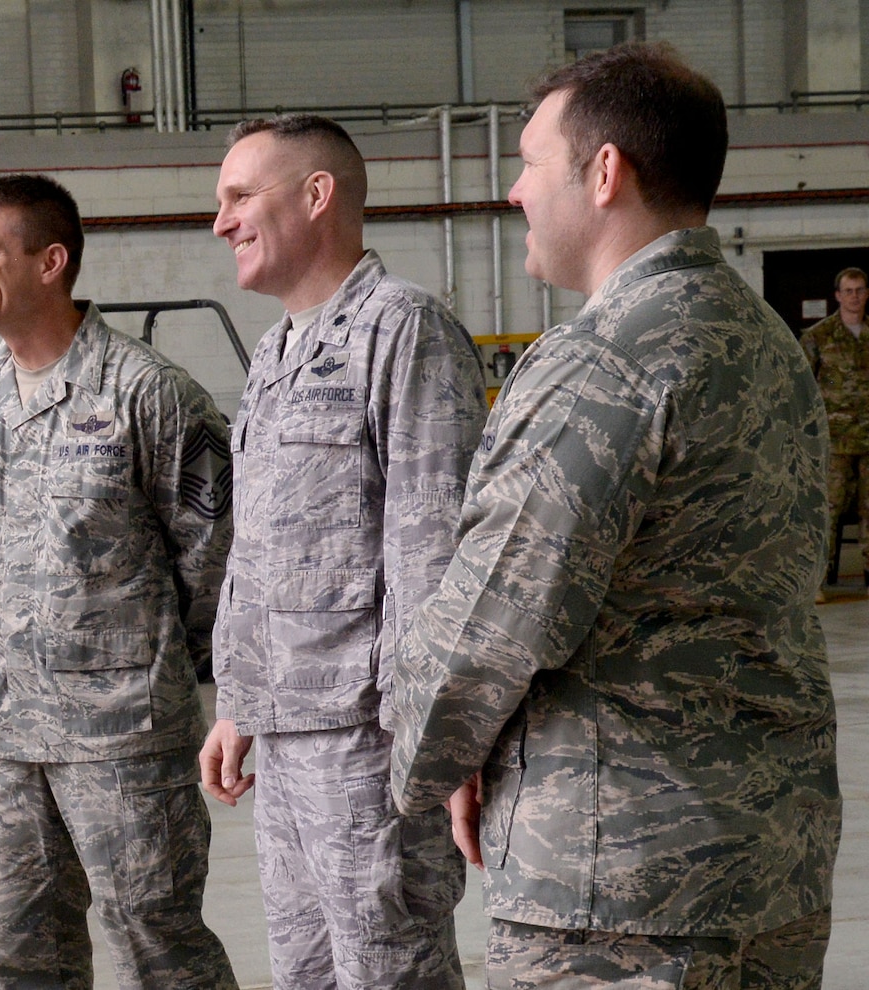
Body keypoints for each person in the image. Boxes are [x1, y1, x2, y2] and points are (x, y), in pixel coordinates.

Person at [388, 43, 841, 989]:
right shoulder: (765, 342)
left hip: (618, 888)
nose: (512, 191)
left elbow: (488, 626)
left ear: (605, 172)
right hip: (774, 863)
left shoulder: (604, 360)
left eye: (527, 162)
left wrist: (423, 765)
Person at [202, 114, 484, 989]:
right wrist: (238, 700)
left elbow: (431, 555)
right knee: (307, 973)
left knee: (389, 970)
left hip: (369, 742)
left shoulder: (404, 331)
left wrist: (436, 740)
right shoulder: (279, 351)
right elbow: (262, 548)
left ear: (317, 195)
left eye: (240, 196)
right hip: (287, 739)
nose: (222, 223)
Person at [0, 173, 237, 990]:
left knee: (160, 951)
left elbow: (214, 561)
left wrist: (147, 672)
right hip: (5, 738)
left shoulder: (151, 394)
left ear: (51, 262)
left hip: (123, 741)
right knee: (22, 955)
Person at [799, 265, 869, 598]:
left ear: (867, 294)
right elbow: (802, 388)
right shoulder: (818, 337)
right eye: (848, 291)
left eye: (860, 290)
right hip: (834, 440)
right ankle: (816, 581)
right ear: (838, 296)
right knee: (826, 511)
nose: (854, 297)